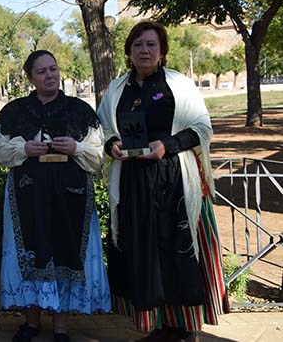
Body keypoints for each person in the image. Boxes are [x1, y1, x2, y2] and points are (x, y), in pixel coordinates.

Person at [97, 21, 228, 342]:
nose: (144, 50)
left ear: (163, 51)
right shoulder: (116, 90)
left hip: (175, 181)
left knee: (177, 251)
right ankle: (158, 324)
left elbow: (202, 127)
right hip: (132, 183)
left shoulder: (179, 85)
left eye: (151, 45)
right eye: (138, 44)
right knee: (145, 254)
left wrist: (166, 146)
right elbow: (101, 127)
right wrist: (111, 143)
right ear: (128, 51)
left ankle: (186, 328)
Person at [0, 50, 111, 342]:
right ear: (30, 78)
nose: (50, 76)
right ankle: (31, 323)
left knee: (65, 252)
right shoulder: (14, 111)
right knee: (31, 254)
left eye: (54, 69)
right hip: (27, 194)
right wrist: (23, 149)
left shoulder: (79, 111)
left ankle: (61, 327)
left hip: (72, 195)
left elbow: (98, 157)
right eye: (42, 71)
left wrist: (77, 149)